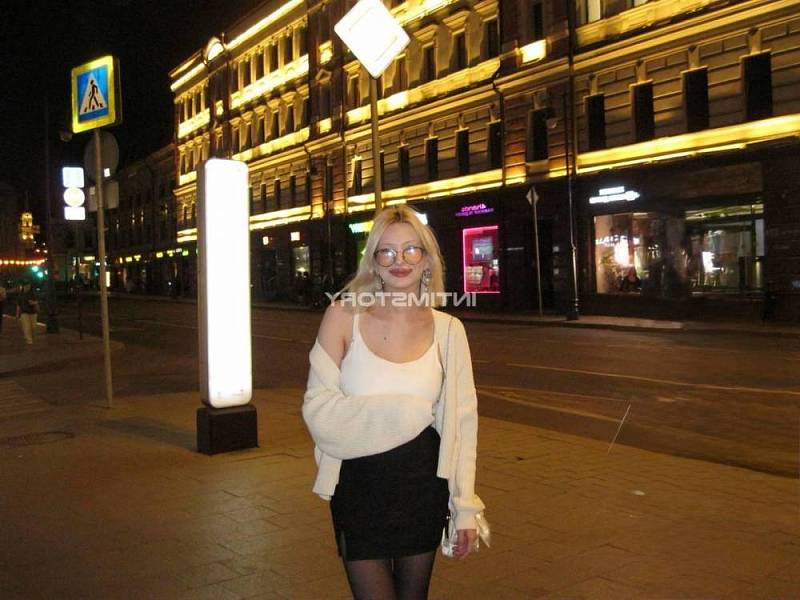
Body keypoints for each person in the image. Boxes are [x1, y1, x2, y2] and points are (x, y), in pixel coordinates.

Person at [303, 205, 485, 600]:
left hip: (423, 486)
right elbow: (317, 410)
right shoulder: (342, 316)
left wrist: (465, 508)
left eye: (410, 250)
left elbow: (462, 427)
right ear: (373, 261)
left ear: (427, 260)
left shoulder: (449, 331)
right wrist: (408, 412)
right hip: (357, 486)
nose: (399, 261)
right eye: (386, 251)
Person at [16, 280, 38, 345]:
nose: (28, 287)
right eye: (27, 286)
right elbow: (18, 305)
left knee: (33, 327)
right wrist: (17, 314)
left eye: (29, 286)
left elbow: (37, 302)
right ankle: (29, 340)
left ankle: (31, 337)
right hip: (24, 312)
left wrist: (33, 302)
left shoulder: (33, 294)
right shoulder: (20, 295)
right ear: (24, 286)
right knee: (27, 327)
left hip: (33, 312)